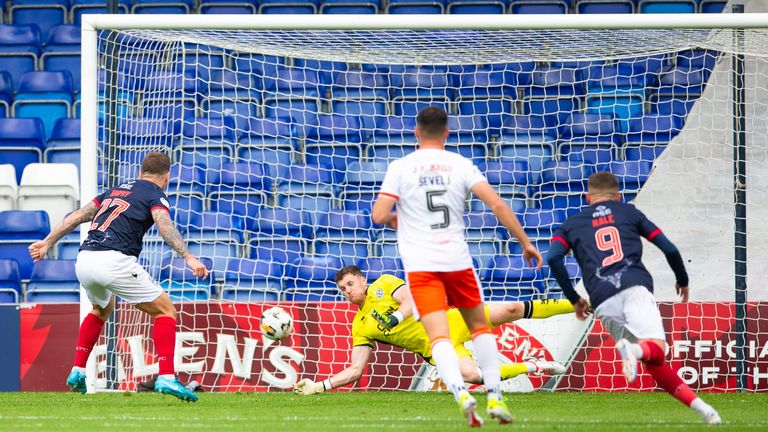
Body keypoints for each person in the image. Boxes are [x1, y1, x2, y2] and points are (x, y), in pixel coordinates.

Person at [367, 107, 543, 426]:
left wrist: (400, 220)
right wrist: (525, 242)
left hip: (422, 266)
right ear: (447, 132)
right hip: (457, 262)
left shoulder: (401, 167)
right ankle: (495, 396)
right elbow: (497, 204)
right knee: (479, 328)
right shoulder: (460, 164)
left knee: (439, 339)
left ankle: (461, 393)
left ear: (416, 132)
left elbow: (378, 215)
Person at [28, 152, 209, 402]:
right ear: (166, 177)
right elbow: (164, 224)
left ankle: (78, 370)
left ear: (140, 172)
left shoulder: (113, 191)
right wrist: (188, 256)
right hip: (114, 260)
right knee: (165, 310)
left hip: (85, 260)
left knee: (101, 309)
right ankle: (167, 376)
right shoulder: (155, 194)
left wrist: (48, 242)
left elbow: (78, 216)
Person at [546, 171, 721, 424]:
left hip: (601, 299)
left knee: (653, 361)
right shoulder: (629, 212)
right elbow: (669, 248)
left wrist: (574, 298)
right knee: (657, 350)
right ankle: (634, 350)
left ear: (587, 197)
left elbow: (552, 257)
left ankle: (705, 411)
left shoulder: (571, 224)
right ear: (618, 196)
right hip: (633, 286)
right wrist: (682, 279)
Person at [293, 266, 572, 397]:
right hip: (437, 349)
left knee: (511, 309)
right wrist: (320, 385)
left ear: (363, 280)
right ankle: (533, 366)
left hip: (450, 320)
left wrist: (396, 318)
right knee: (474, 376)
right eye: (343, 289)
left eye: (351, 284)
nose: (348, 291)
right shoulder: (361, 326)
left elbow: (412, 300)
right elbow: (355, 371)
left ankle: (579, 304)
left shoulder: (383, 284)